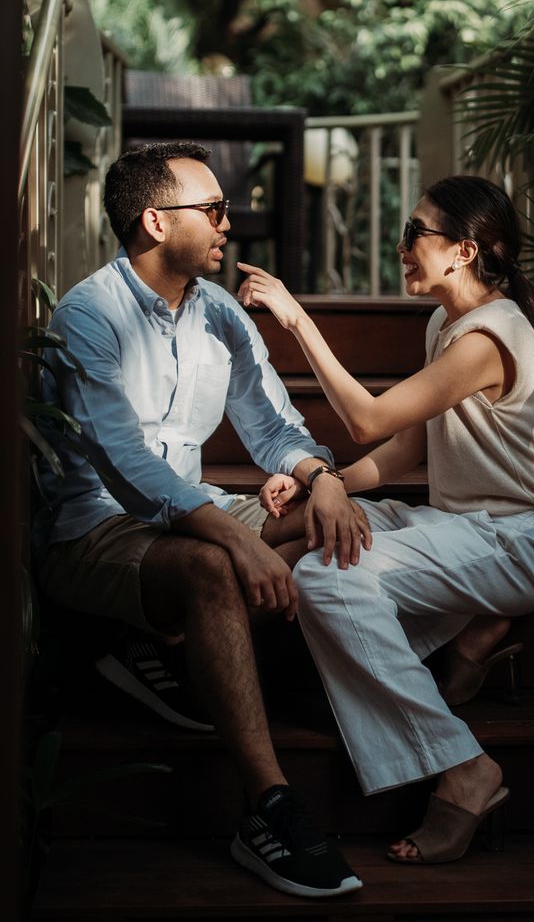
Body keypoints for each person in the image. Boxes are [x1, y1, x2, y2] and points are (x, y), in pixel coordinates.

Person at [34, 141, 370, 898]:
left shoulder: (219, 313)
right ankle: (269, 808)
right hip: (96, 529)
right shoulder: (89, 315)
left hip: (193, 511)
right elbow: (125, 466)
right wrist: (231, 540)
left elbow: (276, 429)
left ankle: (165, 648)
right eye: (214, 209)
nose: (231, 221)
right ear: (155, 221)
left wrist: (320, 479)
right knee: (217, 565)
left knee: (335, 523)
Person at [237, 174, 534, 865]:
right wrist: (324, 483)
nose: (401, 248)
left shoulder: (491, 335)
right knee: (325, 532)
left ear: (464, 251)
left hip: (517, 541)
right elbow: (404, 450)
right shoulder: (443, 323)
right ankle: (471, 640)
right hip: (459, 528)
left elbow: (366, 418)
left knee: (331, 582)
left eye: (416, 233)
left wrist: (298, 321)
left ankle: (464, 771)